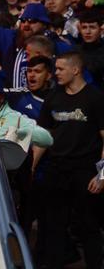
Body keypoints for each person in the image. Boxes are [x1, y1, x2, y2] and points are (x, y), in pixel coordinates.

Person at [35, 51, 104, 269]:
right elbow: (43, 136)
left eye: (60, 69)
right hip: (56, 169)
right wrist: (32, 167)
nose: (56, 73)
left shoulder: (95, 98)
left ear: (76, 70)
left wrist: (102, 175)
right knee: (54, 227)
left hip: (85, 170)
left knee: (88, 225)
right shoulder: (53, 97)